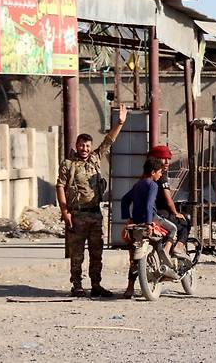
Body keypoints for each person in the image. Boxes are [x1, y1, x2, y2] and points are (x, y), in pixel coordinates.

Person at [56, 104, 127, 298]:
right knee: (77, 254)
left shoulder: (96, 158)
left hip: (95, 213)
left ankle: (96, 284)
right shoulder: (68, 165)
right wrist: (65, 212)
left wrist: (120, 122)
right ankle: (77, 285)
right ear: (76, 145)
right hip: (76, 214)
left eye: (87, 145)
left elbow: (109, 140)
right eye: (81, 145)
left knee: (97, 253)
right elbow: (60, 186)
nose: (84, 148)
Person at [121, 157, 180, 299]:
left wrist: (128, 218)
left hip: (136, 222)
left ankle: (130, 289)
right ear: (153, 172)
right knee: (173, 229)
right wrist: (148, 223)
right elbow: (149, 205)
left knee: (134, 258)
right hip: (151, 219)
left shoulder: (138, 184)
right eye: (159, 172)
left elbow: (124, 200)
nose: (160, 175)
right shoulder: (153, 185)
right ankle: (165, 254)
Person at [147, 145, 191, 257]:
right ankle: (177, 248)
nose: (167, 162)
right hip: (161, 214)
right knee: (185, 222)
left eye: (168, 159)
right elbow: (168, 200)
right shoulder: (162, 177)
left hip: (146, 214)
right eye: (163, 158)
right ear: (155, 159)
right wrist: (176, 213)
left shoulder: (145, 177)